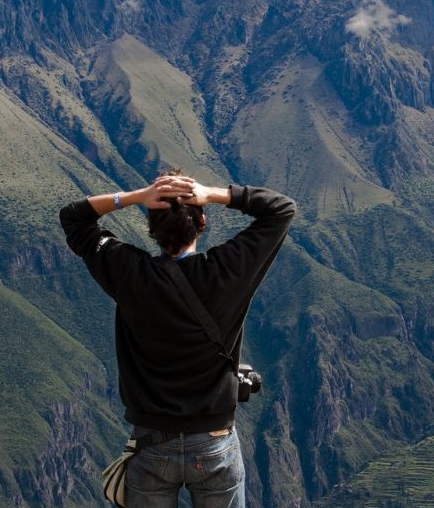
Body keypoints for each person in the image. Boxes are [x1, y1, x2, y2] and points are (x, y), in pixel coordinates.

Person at [59, 170, 296, 507]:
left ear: (152, 229)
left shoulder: (130, 273)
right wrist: (213, 193)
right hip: (214, 442)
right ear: (201, 220)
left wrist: (135, 196)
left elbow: (74, 218)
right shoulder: (227, 271)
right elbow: (281, 209)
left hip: (151, 443)